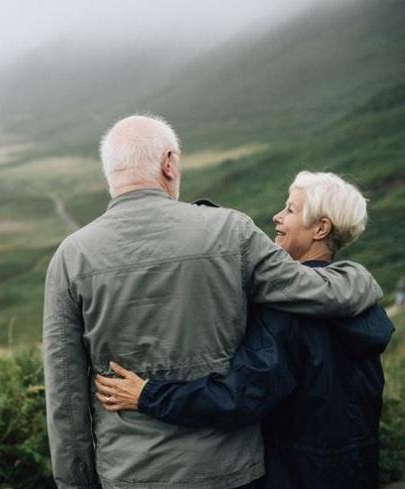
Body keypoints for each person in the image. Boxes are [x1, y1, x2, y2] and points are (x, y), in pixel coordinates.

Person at [43, 114, 383, 489]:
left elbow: (66, 397)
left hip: (128, 473)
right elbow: (316, 291)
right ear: (169, 162)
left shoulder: (70, 256)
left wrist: (75, 482)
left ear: (110, 173)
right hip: (232, 471)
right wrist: (360, 277)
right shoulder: (231, 231)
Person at [94, 171, 394, 488]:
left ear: (321, 228)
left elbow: (239, 397)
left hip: (296, 476)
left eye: (291, 210)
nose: (277, 217)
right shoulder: (360, 303)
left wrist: (148, 395)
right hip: (356, 471)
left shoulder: (288, 311)